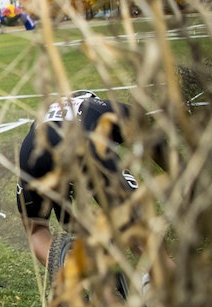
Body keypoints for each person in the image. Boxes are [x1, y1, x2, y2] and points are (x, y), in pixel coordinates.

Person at [15, 90, 165, 269]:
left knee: (36, 230)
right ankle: (165, 282)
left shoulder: (41, 120)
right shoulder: (99, 107)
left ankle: (71, 275)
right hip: (82, 143)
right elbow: (153, 137)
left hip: (32, 151)